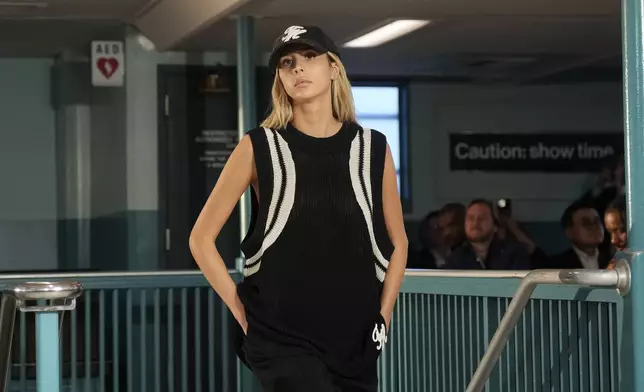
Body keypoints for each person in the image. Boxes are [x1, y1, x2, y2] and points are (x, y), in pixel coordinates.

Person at [189, 25, 408, 392]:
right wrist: (242, 314)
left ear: (334, 67)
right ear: (280, 78)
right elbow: (201, 239)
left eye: (309, 58)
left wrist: (384, 316)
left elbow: (398, 242)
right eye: (287, 63)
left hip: (354, 340)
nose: (298, 69)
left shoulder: (373, 148)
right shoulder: (259, 147)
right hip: (282, 339)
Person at [443, 199, 531, 270]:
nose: (475, 223)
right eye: (470, 218)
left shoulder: (513, 254)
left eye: (482, 218)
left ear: (495, 226)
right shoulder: (456, 258)